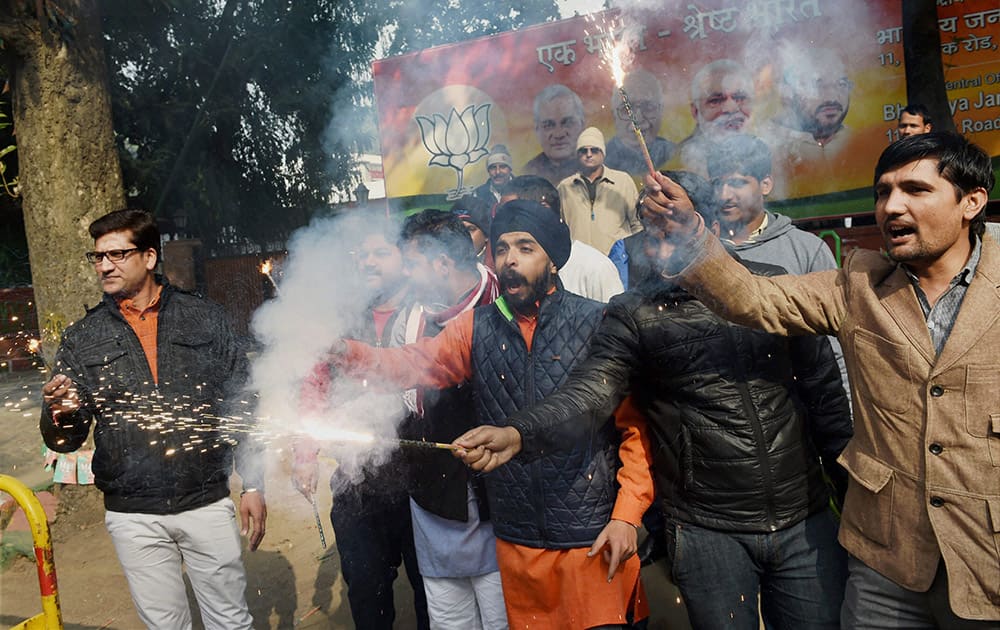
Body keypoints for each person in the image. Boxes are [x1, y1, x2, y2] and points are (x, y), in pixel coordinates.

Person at [457, 172, 853, 628]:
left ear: (706, 225)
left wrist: (853, 503)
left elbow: (826, 401)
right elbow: (592, 392)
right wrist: (518, 432)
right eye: (651, 228)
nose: (660, 242)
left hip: (802, 519)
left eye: (673, 226)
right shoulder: (634, 312)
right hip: (707, 530)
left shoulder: (771, 288)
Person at [641, 131, 1000, 626]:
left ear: (972, 202)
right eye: (883, 192)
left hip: (987, 561)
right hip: (886, 561)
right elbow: (753, 298)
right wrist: (688, 233)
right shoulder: (858, 283)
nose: (892, 206)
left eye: (915, 190)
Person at [331, 199, 654, 629]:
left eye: (525, 248)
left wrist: (626, 518)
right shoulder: (475, 327)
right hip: (517, 542)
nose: (510, 260)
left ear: (553, 260)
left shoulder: (599, 323)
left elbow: (635, 431)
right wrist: (347, 354)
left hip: (591, 536)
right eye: (501, 249)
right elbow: (414, 363)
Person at [39, 209, 266, 629]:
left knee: (231, 622)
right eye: (98, 256)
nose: (105, 265)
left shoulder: (205, 318)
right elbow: (65, 441)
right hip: (133, 514)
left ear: (149, 257)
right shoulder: (82, 338)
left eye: (118, 254)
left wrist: (253, 483)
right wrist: (60, 411)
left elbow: (242, 403)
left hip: (206, 501)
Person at [293, 218, 430, 630]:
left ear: (405, 261)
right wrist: (305, 452)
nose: (368, 262)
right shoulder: (341, 317)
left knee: (431, 592)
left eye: (380, 253)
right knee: (367, 592)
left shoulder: (428, 312)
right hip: (357, 479)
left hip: (422, 479)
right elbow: (314, 385)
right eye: (362, 255)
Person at [389, 209, 505, 629]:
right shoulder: (411, 318)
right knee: (449, 621)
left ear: (442, 264)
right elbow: (399, 394)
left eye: (412, 264)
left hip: (500, 502)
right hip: (435, 500)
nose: (405, 274)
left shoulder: (507, 300)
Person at [706, 134, 850, 397]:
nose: (724, 195)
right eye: (717, 183)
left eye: (737, 183)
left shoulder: (806, 250)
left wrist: (845, 415)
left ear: (766, 184)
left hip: (795, 410)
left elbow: (836, 346)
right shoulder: (702, 256)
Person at [502, 175, 624, 302]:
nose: (502, 222)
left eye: (511, 214)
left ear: (544, 210)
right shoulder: (507, 268)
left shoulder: (595, 269)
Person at [558, 127, 641, 256]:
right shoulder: (565, 187)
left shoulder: (622, 182)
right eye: (583, 150)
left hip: (617, 260)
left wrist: (635, 258)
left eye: (594, 150)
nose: (589, 154)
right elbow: (559, 229)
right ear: (577, 155)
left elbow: (637, 224)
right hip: (579, 261)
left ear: (603, 153)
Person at [670, 59, 754, 179]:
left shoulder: (766, 151)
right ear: (695, 111)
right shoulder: (677, 160)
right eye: (716, 100)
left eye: (740, 98)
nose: (730, 109)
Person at [605, 68, 675, 175]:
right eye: (626, 109)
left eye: (648, 107)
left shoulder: (674, 153)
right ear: (613, 115)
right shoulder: (600, 159)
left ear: (660, 111)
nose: (638, 118)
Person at [523, 84, 587, 186]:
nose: (559, 134)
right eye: (548, 125)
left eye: (567, 123)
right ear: (537, 130)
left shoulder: (603, 167)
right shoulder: (527, 176)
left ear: (582, 125)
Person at [451, 195, 495, 269]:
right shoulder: (441, 264)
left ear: (486, 235)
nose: (463, 235)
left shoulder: (498, 267)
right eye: (457, 228)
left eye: (470, 229)